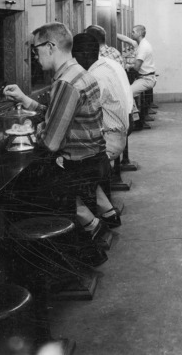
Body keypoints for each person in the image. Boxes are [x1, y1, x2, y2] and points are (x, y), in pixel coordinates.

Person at [3, 22, 110, 242]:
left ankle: (87, 232)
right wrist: (26, 100)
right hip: (95, 160)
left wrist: (25, 129)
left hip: (78, 166)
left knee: (21, 194)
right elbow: (59, 115)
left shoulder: (65, 83)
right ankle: (91, 223)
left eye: (36, 49)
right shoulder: (79, 73)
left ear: (50, 47)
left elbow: (51, 142)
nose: (34, 55)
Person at [72, 32, 132, 228]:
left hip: (110, 140)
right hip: (117, 136)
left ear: (83, 55)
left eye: (75, 56)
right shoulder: (105, 67)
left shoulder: (96, 77)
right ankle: (107, 211)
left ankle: (90, 223)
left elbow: (78, 112)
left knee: (68, 166)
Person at [118, 24, 156, 95]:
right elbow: (125, 39)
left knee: (127, 93)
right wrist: (112, 33)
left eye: (133, 32)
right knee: (126, 90)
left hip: (146, 79)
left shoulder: (143, 47)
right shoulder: (139, 44)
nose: (131, 34)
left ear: (139, 33)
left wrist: (127, 66)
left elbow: (136, 68)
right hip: (143, 77)